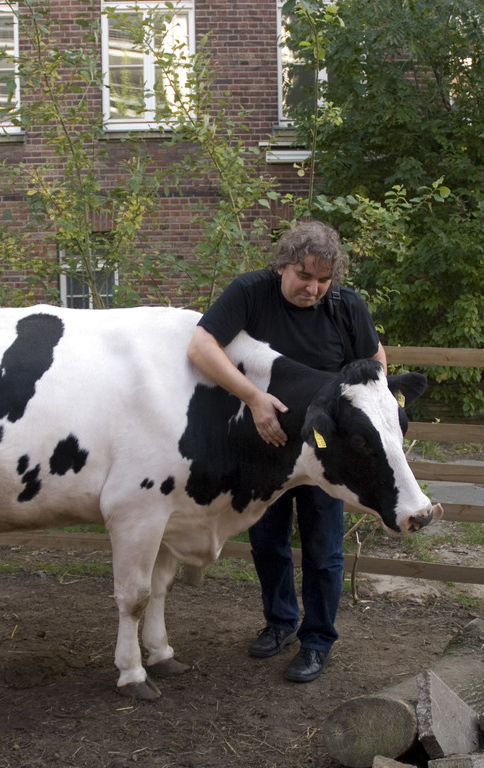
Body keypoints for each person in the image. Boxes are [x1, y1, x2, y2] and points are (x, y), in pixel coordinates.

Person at [186, 220, 386, 684]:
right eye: (304, 277)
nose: (313, 288)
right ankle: (279, 624)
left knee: (323, 548)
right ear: (283, 265)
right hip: (267, 443)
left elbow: (374, 362)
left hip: (324, 452)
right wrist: (253, 399)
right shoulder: (251, 292)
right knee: (268, 541)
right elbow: (201, 346)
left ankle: (317, 641)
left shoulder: (344, 305)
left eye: (323, 280)